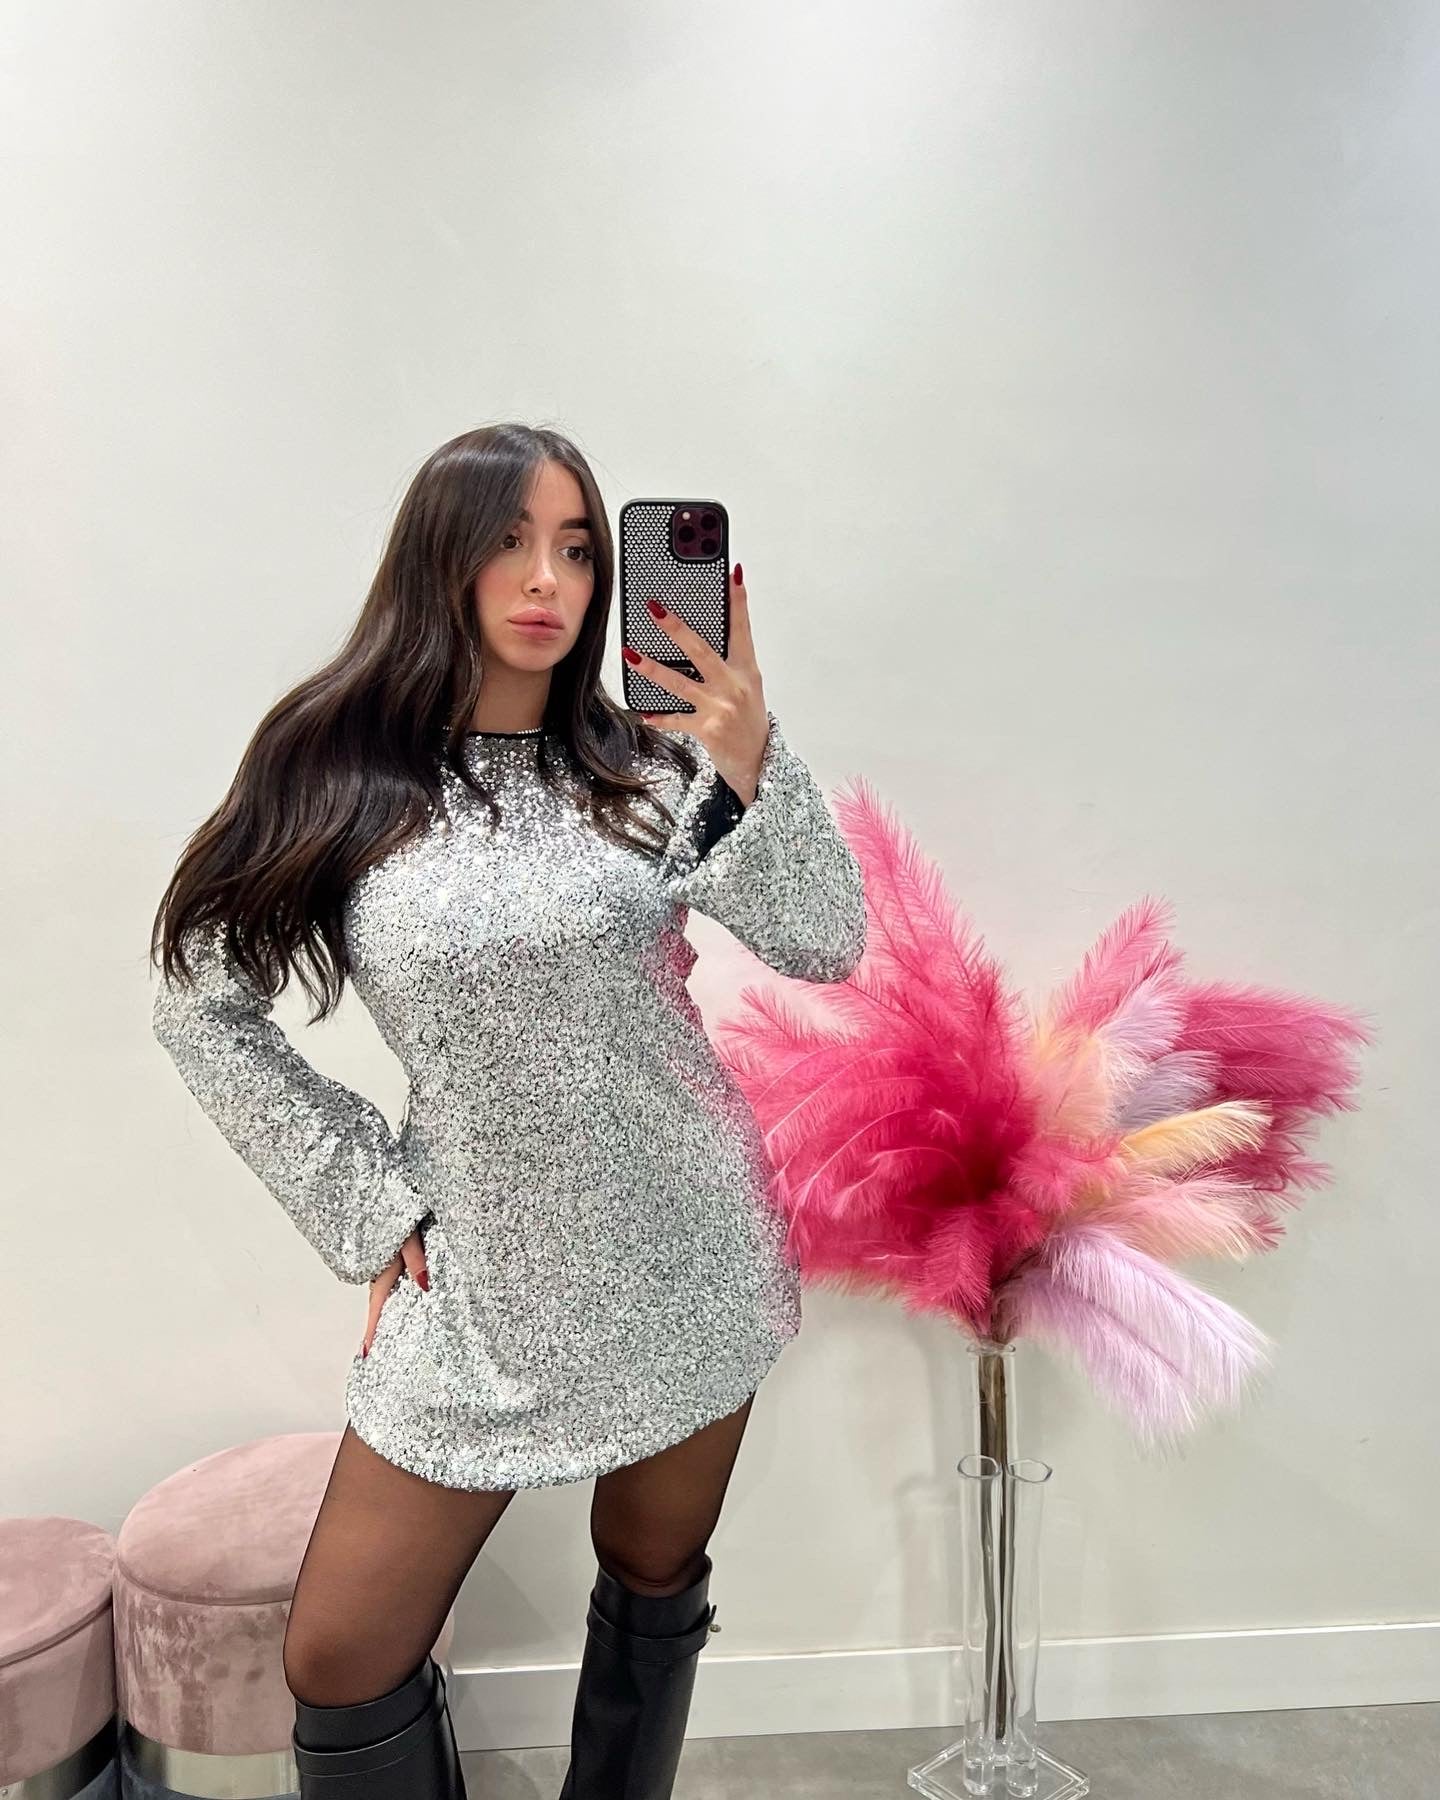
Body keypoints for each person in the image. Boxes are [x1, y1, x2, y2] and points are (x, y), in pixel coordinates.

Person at [148, 422, 868, 1798]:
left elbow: (827, 940)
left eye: (579, 549)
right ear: (442, 559)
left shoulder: (652, 763)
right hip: (482, 1276)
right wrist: (370, 1202)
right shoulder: (336, 771)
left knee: (653, 1571)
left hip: (689, 1248)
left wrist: (755, 757)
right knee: (342, 1656)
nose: (548, 579)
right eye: (509, 541)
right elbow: (197, 997)